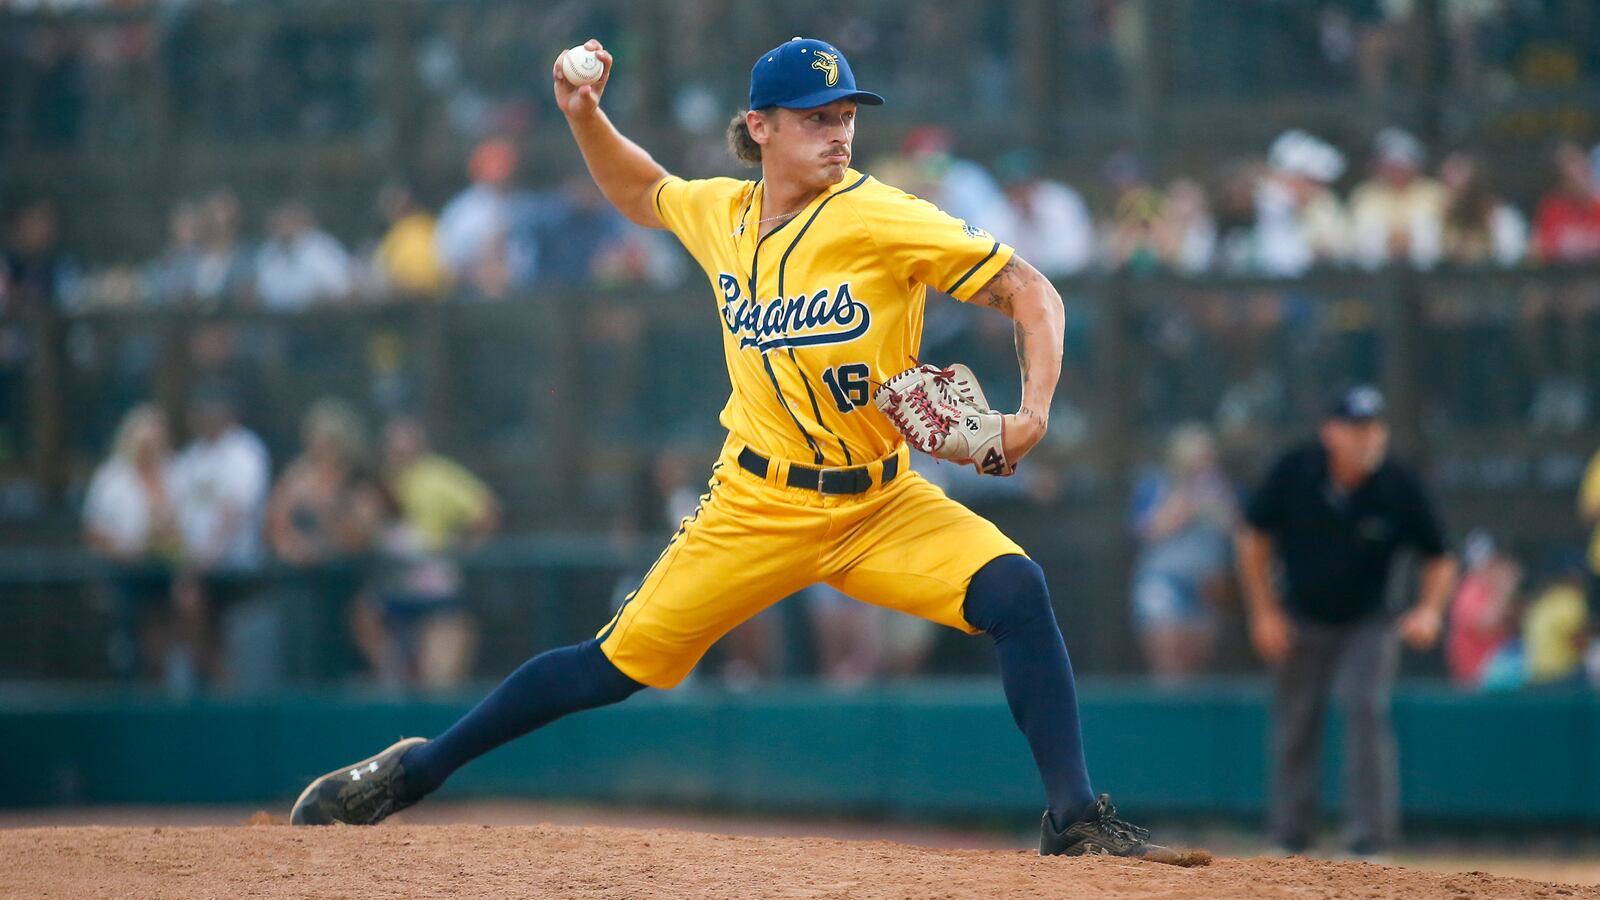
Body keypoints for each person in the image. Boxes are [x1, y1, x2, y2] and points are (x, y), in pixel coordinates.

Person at [291, 36, 1185, 862]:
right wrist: (584, 115)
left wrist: (1031, 412)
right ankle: (417, 770)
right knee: (608, 667)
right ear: (759, 127)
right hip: (755, 504)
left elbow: (1033, 292)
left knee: (1017, 591)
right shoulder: (723, 212)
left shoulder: (883, 217)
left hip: (880, 502)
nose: (838, 134)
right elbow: (642, 190)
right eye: (814, 118)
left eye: (844, 117)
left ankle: (1072, 820)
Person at [1236, 385, 1457, 857]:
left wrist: (1430, 610)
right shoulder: (1296, 470)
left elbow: (1439, 556)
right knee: (1297, 720)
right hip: (1302, 614)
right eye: (1357, 428)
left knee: (1365, 710)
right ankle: (1290, 838)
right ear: (1330, 432)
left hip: (1369, 620)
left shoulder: (1397, 484)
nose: (1367, 438)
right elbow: (1253, 537)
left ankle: (1369, 841)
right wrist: (1265, 612)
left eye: (1375, 428)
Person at [354, 416, 498, 690]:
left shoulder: (438, 475)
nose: (399, 453)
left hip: (434, 589)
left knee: (437, 680)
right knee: (365, 616)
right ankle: (392, 680)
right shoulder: (380, 483)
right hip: (393, 589)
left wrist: (465, 546)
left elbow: (487, 511)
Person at [169, 386, 272, 690]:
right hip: (191, 567)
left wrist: (201, 562)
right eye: (201, 412)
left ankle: (217, 684)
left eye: (212, 410)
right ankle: (199, 683)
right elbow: (174, 513)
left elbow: (235, 513)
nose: (206, 418)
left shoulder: (244, 450)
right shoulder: (191, 457)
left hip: (236, 568)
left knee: (190, 600)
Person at [1129, 424, 1236, 682]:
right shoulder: (1156, 484)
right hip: (1164, 583)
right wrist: (1183, 503)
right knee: (1169, 665)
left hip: (1205, 586)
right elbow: (1146, 531)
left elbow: (1241, 531)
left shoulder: (1222, 488)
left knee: (1197, 667)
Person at [83, 404, 184, 681]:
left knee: (178, 623)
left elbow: (185, 526)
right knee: (134, 639)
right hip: (125, 575)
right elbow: (95, 534)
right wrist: (129, 549)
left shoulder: (177, 472)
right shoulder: (111, 478)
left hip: (170, 573)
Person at [1348, 128, 1444, 270]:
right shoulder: (1365, 193)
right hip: (1378, 266)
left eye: (1402, 166)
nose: (1396, 172)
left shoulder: (1432, 192)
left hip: (1426, 266)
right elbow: (1358, 234)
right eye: (1391, 166)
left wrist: (1407, 242)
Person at [255, 201, 355, 310]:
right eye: (280, 221)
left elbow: (345, 289)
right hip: (273, 317)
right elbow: (262, 290)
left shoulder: (322, 247)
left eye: (291, 220)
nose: (284, 225)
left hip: (317, 318)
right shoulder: (269, 249)